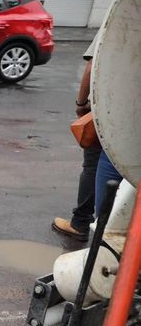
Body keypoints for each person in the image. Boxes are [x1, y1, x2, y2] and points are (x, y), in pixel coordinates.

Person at [52, 33, 103, 242]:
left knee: (93, 167)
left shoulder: (119, 21)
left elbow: (92, 68)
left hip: (108, 113)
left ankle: (80, 223)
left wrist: (81, 104)